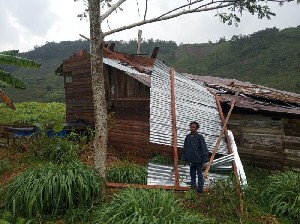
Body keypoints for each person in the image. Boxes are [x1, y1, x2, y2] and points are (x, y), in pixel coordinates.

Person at [181, 121, 209, 194]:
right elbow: (185, 148)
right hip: (191, 160)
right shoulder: (187, 137)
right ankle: (193, 188)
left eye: (194, 127)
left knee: (200, 176)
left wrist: (203, 162)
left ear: (197, 128)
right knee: (192, 175)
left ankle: (200, 191)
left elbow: (204, 149)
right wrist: (184, 159)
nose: (192, 129)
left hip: (199, 161)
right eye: (191, 127)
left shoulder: (200, 137)